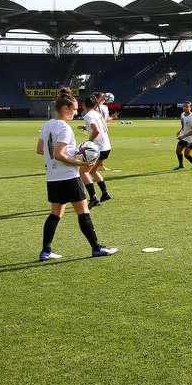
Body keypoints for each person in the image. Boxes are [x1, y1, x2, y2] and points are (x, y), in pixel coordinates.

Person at [36, 87, 117, 260]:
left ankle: (46, 251)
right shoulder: (64, 128)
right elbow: (59, 154)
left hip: (52, 177)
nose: (76, 112)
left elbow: (40, 149)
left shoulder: (47, 125)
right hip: (68, 176)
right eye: (74, 109)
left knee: (55, 214)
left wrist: (58, 157)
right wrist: (80, 162)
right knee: (83, 212)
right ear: (65, 109)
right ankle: (97, 248)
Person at [80, 94, 113, 208]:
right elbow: (104, 128)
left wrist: (88, 143)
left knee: (83, 172)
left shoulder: (88, 116)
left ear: (83, 105)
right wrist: (87, 128)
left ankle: (93, 197)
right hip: (107, 147)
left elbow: (97, 131)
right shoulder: (97, 114)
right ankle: (105, 193)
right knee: (93, 170)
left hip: (98, 148)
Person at [174, 101, 192, 170]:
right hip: (184, 137)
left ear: (190, 107)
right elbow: (183, 125)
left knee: (187, 155)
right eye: (184, 106)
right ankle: (181, 165)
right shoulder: (182, 114)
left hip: (191, 139)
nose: (185, 108)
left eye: (186, 106)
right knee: (178, 152)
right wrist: (180, 131)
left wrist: (183, 136)